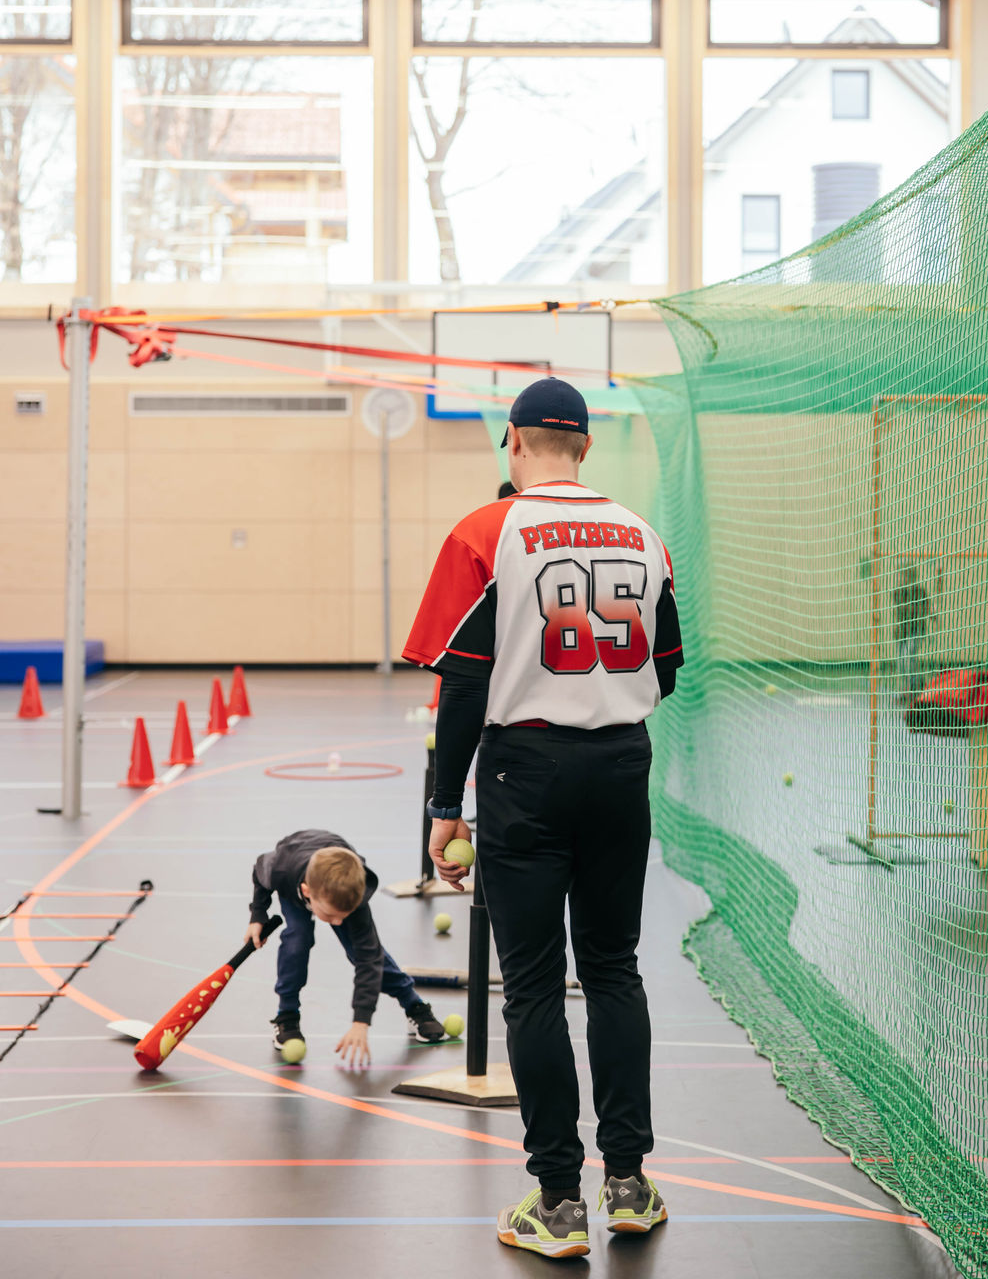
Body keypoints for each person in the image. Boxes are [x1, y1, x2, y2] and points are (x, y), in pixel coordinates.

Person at [403, 377, 684, 1260]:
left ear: (514, 444)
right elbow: (666, 668)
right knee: (613, 970)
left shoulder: (485, 533)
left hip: (525, 772)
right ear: (586, 448)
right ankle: (630, 1185)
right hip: (620, 764)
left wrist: (445, 810)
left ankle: (557, 1203)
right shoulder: (644, 535)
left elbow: (461, 684)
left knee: (530, 985)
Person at [244, 828, 445, 1066]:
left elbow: (369, 961)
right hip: (294, 875)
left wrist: (361, 1022)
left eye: (343, 916)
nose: (338, 922)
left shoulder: (353, 898)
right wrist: (258, 916)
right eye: (331, 915)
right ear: (308, 892)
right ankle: (286, 1014)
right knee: (297, 938)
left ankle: (414, 1004)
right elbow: (259, 870)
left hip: (330, 878)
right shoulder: (280, 871)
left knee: (362, 951)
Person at [892, 561, 931, 708]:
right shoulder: (898, 592)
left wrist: (929, 609)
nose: (900, 578)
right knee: (901, 662)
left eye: (903, 575)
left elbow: (923, 610)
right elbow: (905, 611)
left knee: (909, 659)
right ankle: (907, 689)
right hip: (902, 632)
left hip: (916, 631)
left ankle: (914, 689)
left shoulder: (920, 592)